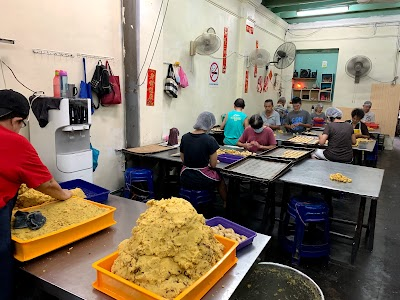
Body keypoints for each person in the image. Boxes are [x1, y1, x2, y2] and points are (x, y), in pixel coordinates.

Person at [0, 89, 72, 299]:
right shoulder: (14, 142)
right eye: (22, 125)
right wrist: (65, 195)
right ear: (16, 120)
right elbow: (47, 184)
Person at [180, 111, 227, 207]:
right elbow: (213, 165)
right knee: (220, 179)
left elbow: (183, 160)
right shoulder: (210, 140)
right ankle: (226, 202)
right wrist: (209, 162)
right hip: (201, 178)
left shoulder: (185, 137)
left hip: (185, 176)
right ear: (210, 125)